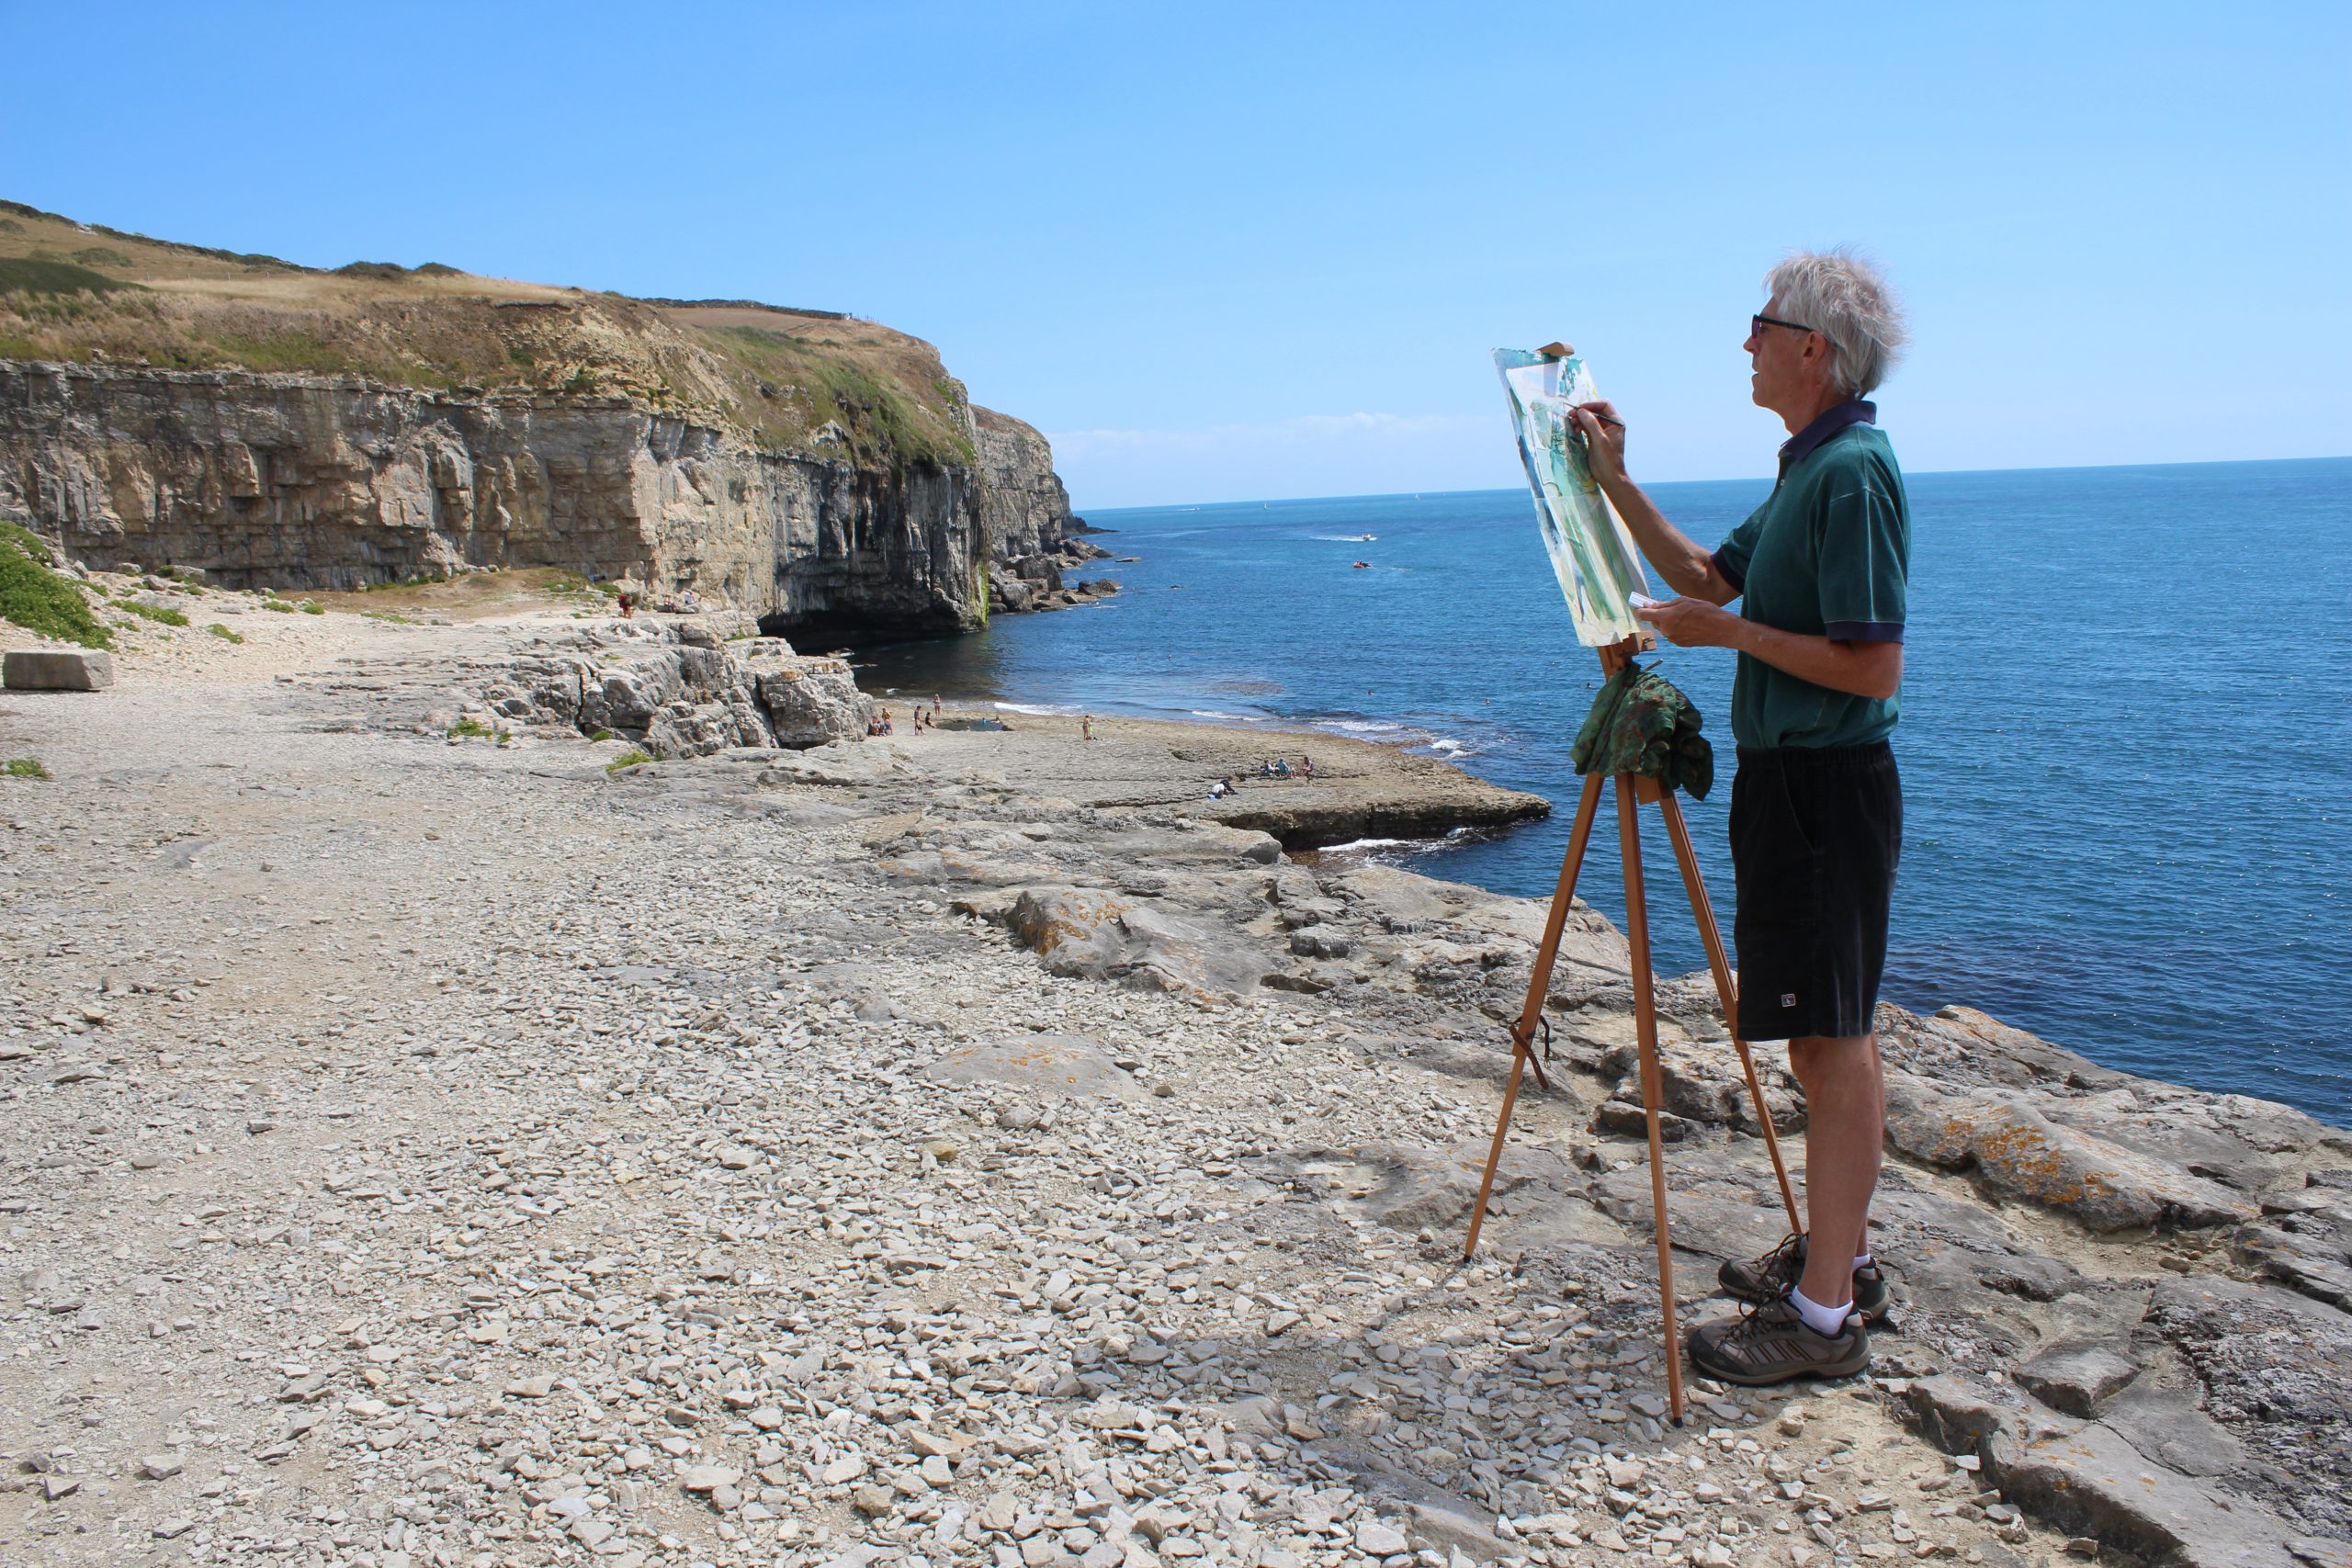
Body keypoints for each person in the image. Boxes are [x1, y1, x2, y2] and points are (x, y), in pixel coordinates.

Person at [1570, 248, 1910, 1386]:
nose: (1746, 343)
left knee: (1831, 1039)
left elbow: (1873, 670)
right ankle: (1837, 1260)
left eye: (1759, 325)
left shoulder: (1852, 472)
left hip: (1825, 788)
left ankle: (1824, 1318)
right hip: (1795, 786)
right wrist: (1615, 480)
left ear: (1812, 347)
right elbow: (1709, 582)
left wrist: (1732, 642)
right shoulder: (1808, 466)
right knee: (1822, 1033)